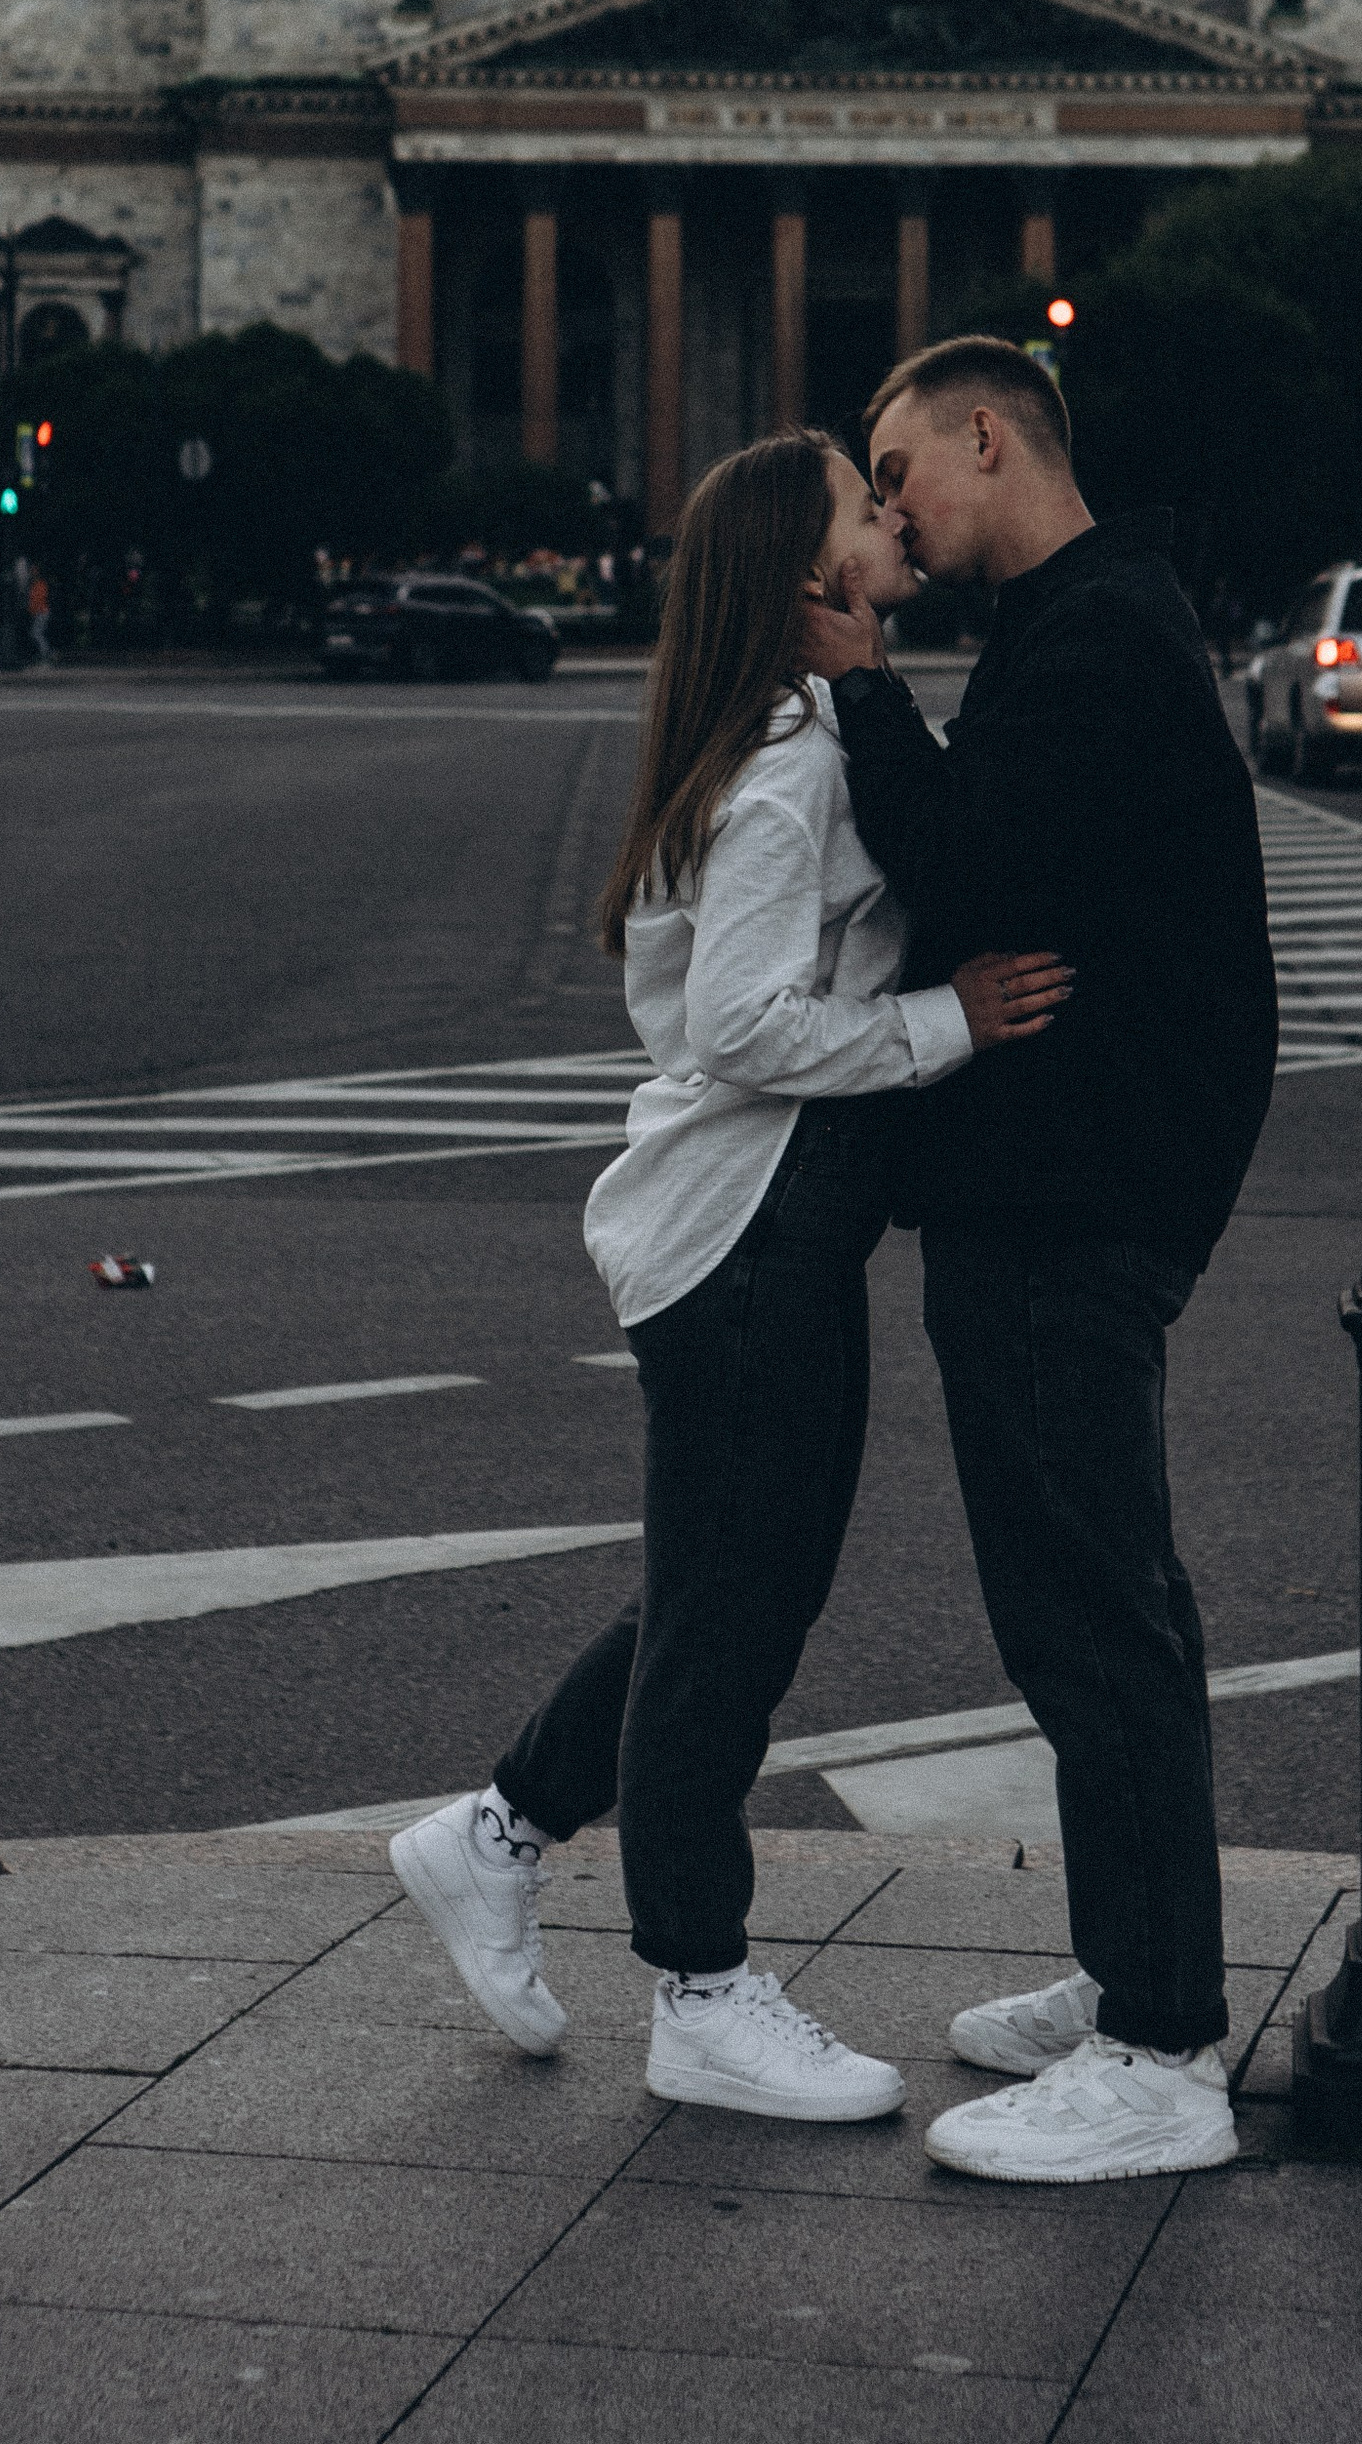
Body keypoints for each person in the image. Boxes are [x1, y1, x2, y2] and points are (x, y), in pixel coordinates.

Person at [390, 429, 1072, 2126]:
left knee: (724, 1587)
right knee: (733, 1616)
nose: (892, 515)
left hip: (759, 1228)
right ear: (809, 571)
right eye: (862, 501)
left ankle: (497, 1836)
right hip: (748, 1232)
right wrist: (948, 1022)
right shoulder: (788, 763)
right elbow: (741, 1023)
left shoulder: (798, 731)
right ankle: (698, 1988)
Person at [800, 333, 1277, 2186]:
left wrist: (860, 691)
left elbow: (964, 863)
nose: (892, 509)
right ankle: (1131, 1974)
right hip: (1073, 1187)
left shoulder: (1094, 639)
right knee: (1096, 1607)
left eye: (898, 469)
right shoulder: (1089, 619)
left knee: (1092, 1618)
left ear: (988, 437)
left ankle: (1158, 2051)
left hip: (1065, 1198)